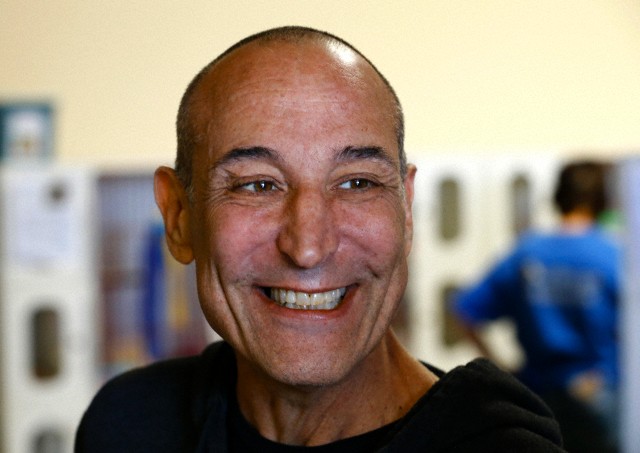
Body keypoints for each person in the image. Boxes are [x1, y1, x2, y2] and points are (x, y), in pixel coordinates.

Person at [76, 26, 565, 452]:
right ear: (179, 217)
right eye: (257, 185)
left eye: (358, 182)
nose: (308, 247)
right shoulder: (131, 426)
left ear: (406, 210)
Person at [453, 160, 620, 452]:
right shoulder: (615, 256)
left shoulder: (526, 253)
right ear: (604, 199)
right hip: (600, 398)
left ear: (558, 196)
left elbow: (465, 312)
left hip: (539, 399)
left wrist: (499, 370)